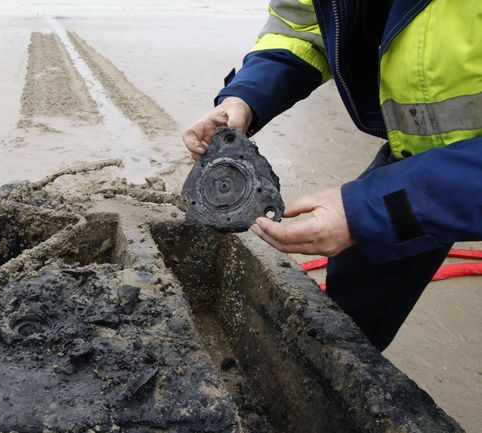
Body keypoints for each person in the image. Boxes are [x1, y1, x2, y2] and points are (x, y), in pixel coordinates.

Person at [183, 0, 481, 351]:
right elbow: (304, 25)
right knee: (356, 283)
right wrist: (244, 97)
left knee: (367, 232)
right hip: (411, 152)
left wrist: (368, 210)